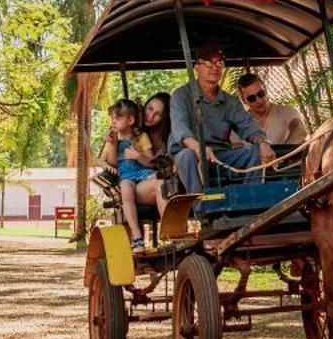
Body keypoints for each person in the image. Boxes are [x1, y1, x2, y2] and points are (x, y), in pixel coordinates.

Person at [168, 48, 274, 194]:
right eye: (208, 63)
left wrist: (263, 143)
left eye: (219, 63)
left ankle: (249, 202)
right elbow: (180, 129)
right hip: (191, 156)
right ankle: (201, 208)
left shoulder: (230, 102)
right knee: (187, 156)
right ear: (197, 66)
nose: (214, 68)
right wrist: (199, 148)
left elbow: (249, 126)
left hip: (220, 157)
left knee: (256, 151)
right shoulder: (181, 96)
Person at [99, 98, 160, 249]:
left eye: (118, 118)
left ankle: (167, 231)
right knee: (125, 189)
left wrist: (138, 155)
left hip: (143, 173)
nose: (114, 122)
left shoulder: (140, 138)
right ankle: (137, 236)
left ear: (131, 120)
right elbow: (104, 161)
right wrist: (111, 145)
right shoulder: (111, 140)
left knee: (161, 182)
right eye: (112, 118)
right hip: (126, 176)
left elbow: (151, 161)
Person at [235, 71, 308, 144]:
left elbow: (300, 130)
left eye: (261, 94)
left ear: (265, 91)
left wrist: (283, 151)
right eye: (252, 98)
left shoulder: (286, 112)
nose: (259, 100)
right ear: (243, 101)